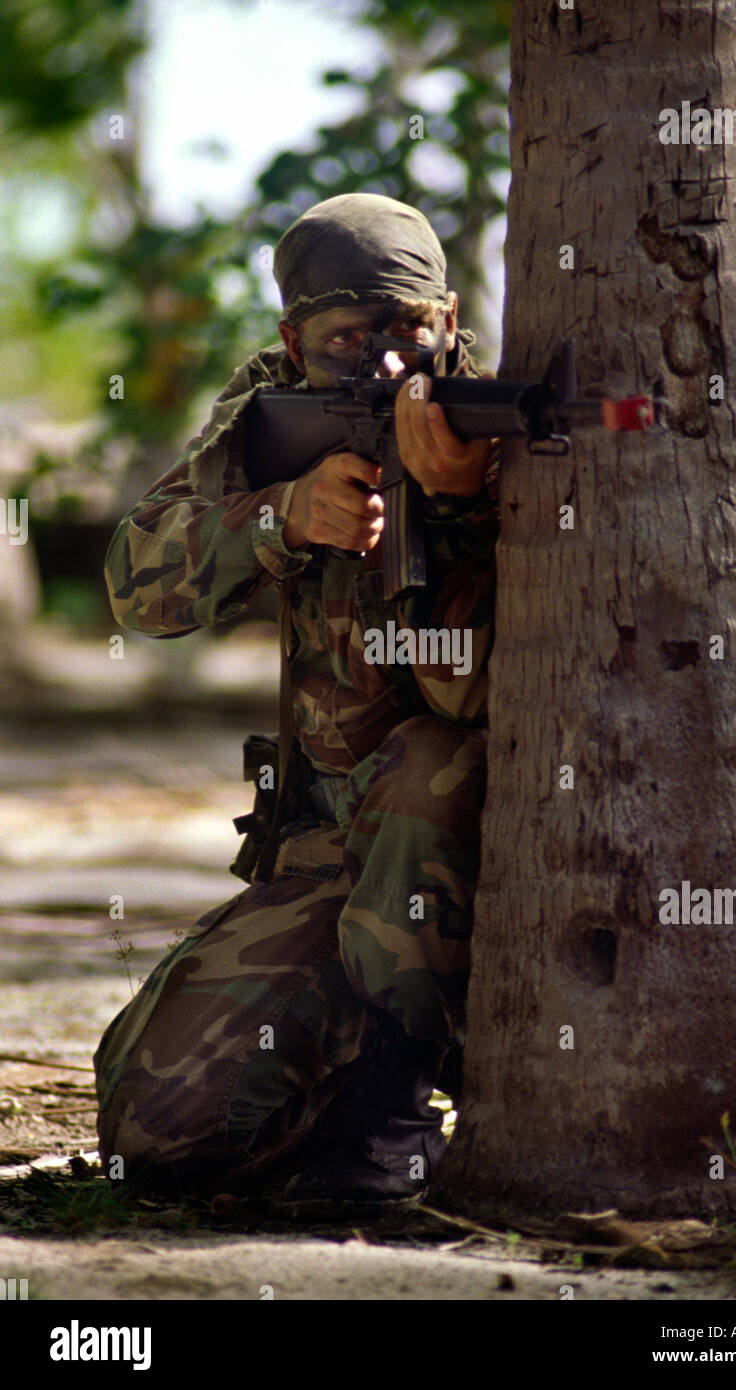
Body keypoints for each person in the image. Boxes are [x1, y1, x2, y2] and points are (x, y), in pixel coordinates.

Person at [93, 192, 499, 1209]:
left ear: (449, 319)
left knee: (430, 762)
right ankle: (338, 1089)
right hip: (335, 854)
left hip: (497, 865)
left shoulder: (498, 419)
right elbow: (137, 586)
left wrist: (476, 502)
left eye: (410, 330)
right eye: (347, 339)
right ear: (291, 341)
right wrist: (283, 514)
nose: (386, 362)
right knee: (158, 1129)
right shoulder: (272, 412)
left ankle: (391, 1120)